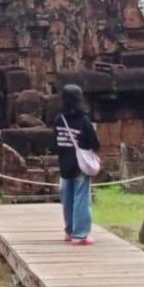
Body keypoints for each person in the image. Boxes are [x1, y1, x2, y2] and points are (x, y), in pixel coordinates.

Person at [54, 84, 99, 246]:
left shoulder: (59, 119)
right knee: (81, 199)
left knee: (67, 198)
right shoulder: (83, 120)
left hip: (64, 163)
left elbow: (55, 141)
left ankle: (69, 231)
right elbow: (94, 142)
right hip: (80, 164)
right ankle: (80, 235)